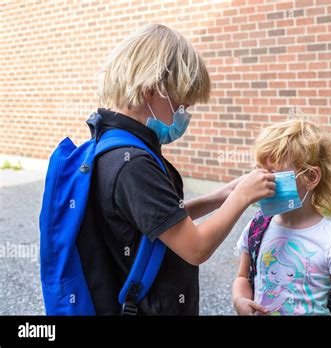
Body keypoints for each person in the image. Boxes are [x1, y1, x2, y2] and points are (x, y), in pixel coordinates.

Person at [77, 23, 275, 315]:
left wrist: (220, 196)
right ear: (152, 89)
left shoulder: (110, 141)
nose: (185, 115)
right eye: (182, 104)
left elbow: (159, 221)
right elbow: (195, 248)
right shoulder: (133, 165)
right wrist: (240, 198)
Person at [232, 119, 331, 315]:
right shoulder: (257, 228)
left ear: (310, 177)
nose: (259, 181)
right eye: (258, 171)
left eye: (272, 174)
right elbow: (242, 276)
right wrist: (240, 300)